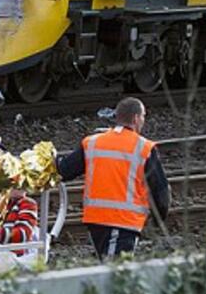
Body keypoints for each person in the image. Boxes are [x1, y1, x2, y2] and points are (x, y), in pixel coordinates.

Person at [57, 97, 170, 260]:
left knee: (108, 268)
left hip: (95, 220)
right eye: (144, 116)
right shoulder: (144, 148)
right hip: (123, 222)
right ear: (136, 118)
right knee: (115, 274)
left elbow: (64, 170)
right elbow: (161, 193)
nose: (143, 120)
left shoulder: (93, 142)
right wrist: (158, 220)